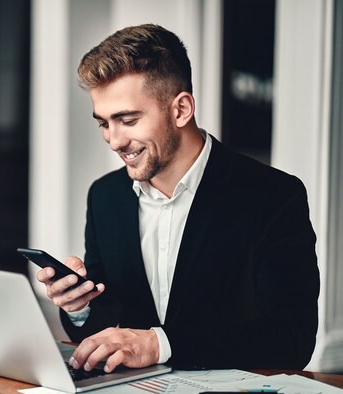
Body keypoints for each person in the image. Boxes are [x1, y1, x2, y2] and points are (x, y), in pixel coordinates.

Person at [37, 24, 319, 372]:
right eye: (104, 123)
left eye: (127, 120)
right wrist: (79, 308)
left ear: (181, 109)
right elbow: (108, 327)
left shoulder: (273, 197)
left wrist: (159, 345)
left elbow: (291, 338)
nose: (114, 140)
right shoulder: (104, 197)